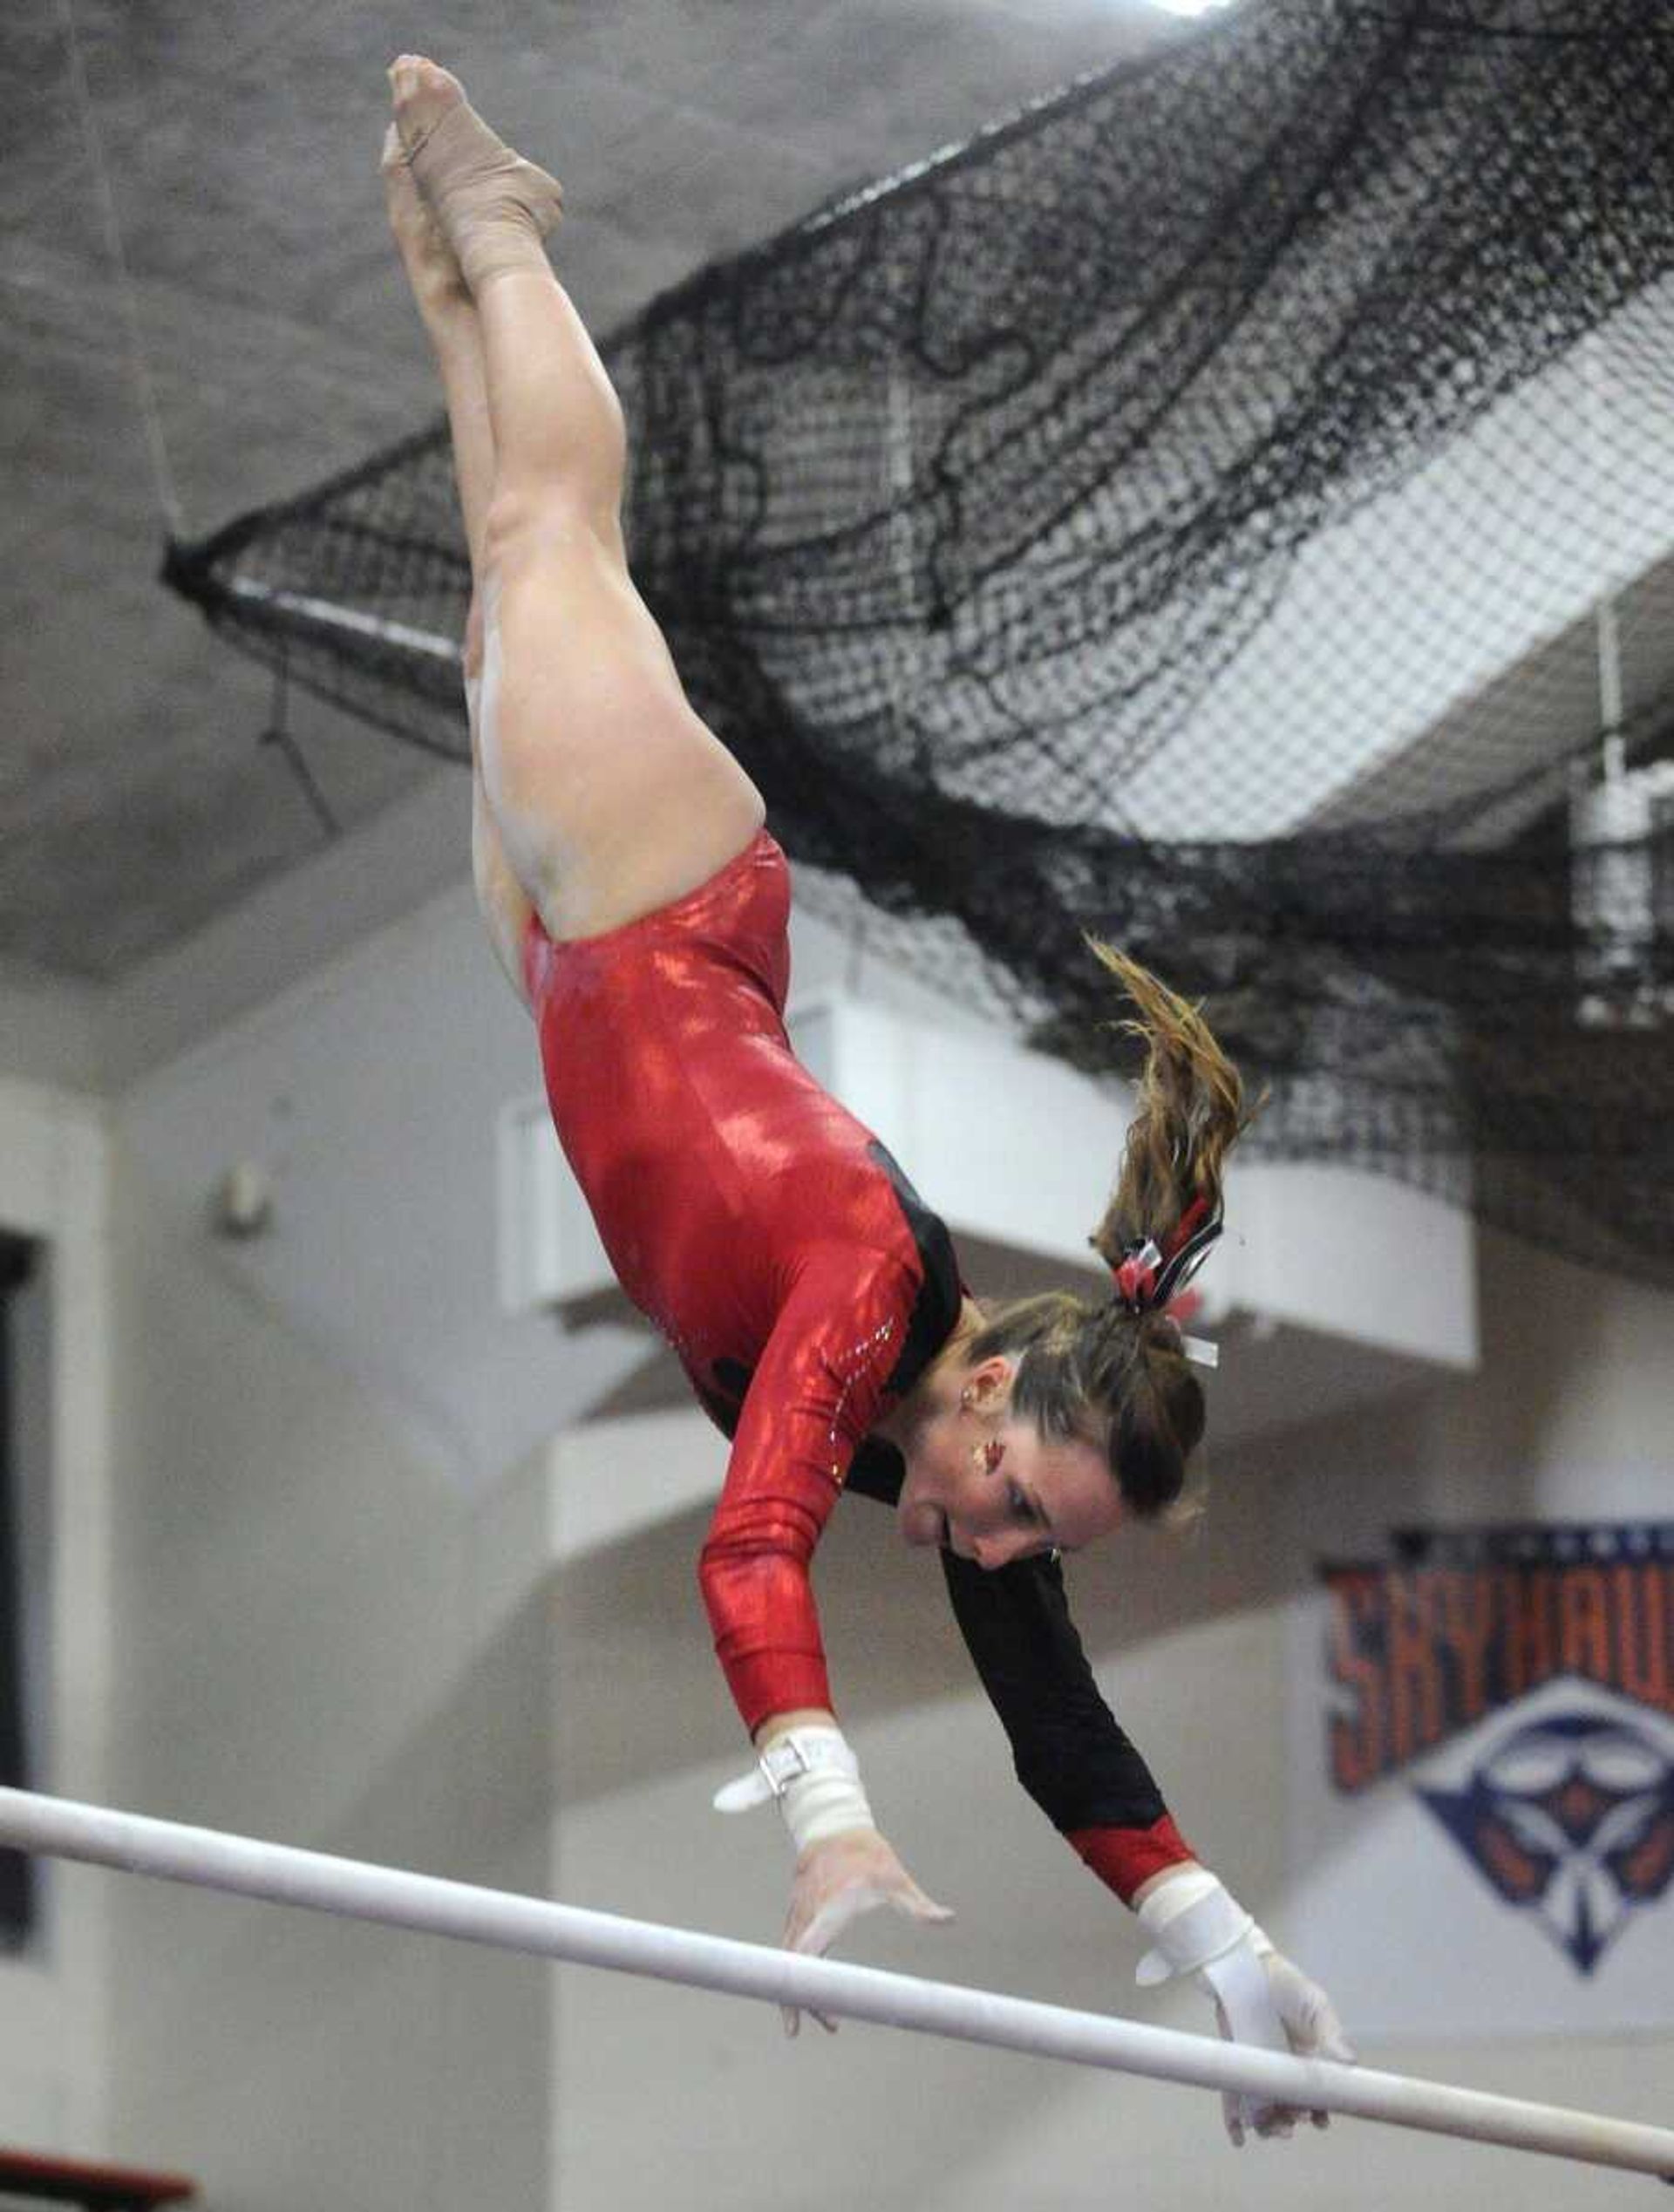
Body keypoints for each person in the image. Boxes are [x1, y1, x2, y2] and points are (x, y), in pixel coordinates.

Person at [383, 54, 1353, 2143]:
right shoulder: (853, 1279)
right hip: (659, 889)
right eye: (1020, 1504)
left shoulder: (952, 1441)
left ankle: (452, 294)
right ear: (1000, 1397)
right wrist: (822, 1820)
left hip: (571, 970)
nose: (992, 1545)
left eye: (1026, 1539)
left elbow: (1058, 1723)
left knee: (495, 558)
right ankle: (504, 225)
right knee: (557, 523)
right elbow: (749, 1557)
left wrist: (1225, 1955)